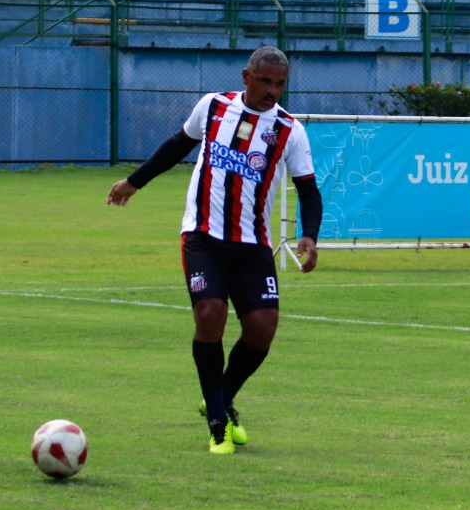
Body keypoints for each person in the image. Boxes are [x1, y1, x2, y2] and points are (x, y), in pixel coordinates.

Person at [106, 46, 323, 454]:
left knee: (262, 329)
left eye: (279, 84)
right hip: (203, 238)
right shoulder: (213, 107)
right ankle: (218, 422)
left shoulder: (289, 130)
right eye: (264, 81)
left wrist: (309, 234)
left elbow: (309, 192)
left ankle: (219, 396)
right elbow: (176, 145)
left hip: (252, 245)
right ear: (246, 76)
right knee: (210, 315)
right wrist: (135, 181)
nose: (272, 90)